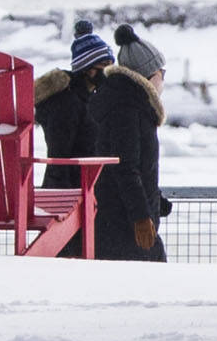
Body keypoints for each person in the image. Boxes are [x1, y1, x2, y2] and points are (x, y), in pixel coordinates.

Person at [38, 23, 169, 261]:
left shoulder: (107, 102)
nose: (107, 72)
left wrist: (154, 199)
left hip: (98, 202)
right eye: (103, 66)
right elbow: (122, 163)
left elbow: (132, 161)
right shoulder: (110, 106)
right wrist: (140, 213)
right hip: (84, 201)